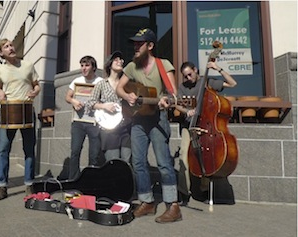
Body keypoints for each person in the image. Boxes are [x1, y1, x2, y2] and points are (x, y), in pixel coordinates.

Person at [116, 28, 181, 223]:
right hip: (138, 119)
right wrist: (128, 96)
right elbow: (119, 87)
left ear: (150, 46)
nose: (136, 46)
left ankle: (173, 206)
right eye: (135, 43)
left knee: (163, 162)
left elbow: (174, 95)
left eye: (140, 43)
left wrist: (166, 101)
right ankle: (147, 202)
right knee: (138, 162)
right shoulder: (131, 67)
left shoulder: (163, 65)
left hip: (157, 118)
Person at [175, 61, 237, 205]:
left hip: (207, 125)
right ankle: (183, 192)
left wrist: (219, 69)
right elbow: (178, 103)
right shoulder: (183, 87)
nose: (188, 78)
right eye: (185, 76)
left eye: (190, 74)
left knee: (207, 155)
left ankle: (203, 190)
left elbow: (232, 83)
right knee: (184, 155)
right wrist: (187, 111)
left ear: (196, 70)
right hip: (189, 125)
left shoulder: (207, 81)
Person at [0, 38, 41, 200]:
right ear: (1, 53)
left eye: (11, 45)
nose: (11, 48)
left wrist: (35, 92)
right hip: (8, 112)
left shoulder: (27, 65)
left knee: (29, 150)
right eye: (6, 47)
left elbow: (36, 85)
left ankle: (29, 184)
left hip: (27, 109)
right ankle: (1, 187)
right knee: (3, 150)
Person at [85, 51, 131, 163]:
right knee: (113, 162)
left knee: (127, 162)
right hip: (109, 129)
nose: (120, 61)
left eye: (121, 60)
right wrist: (104, 106)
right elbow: (89, 104)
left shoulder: (127, 83)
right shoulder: (101, 84)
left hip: (126, 127)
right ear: (109, 64)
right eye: (116, 59)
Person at [66, 55, 103, 180]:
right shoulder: (76, 81)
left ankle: (91, 182)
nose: (83, 68)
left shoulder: (100, 82)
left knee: (94, 154)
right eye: (82, 65)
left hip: (94, 122)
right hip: (78, 122)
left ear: (93, 67)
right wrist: (74, 101)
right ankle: (73, 181)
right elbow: (68, 97)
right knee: (75, 152)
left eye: (87, 65)